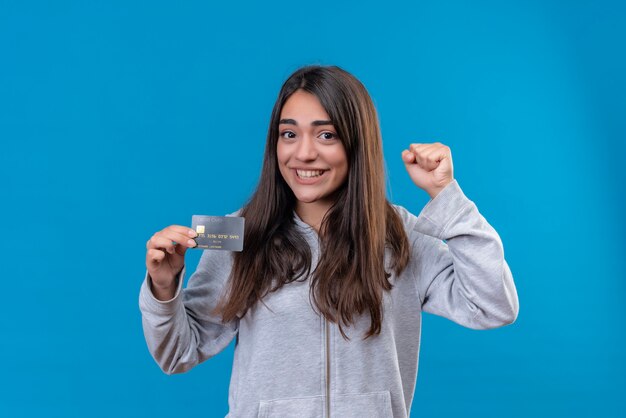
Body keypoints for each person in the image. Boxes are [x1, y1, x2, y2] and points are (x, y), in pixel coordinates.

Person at [139, 65, 519, 417]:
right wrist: (163, 286)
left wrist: (445, 196)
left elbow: (493, 305)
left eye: (326, 135)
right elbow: (177, 352)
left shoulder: (401, 235)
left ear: (356, 143)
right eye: (289, 134)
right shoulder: (243, 234)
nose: (303, 153)